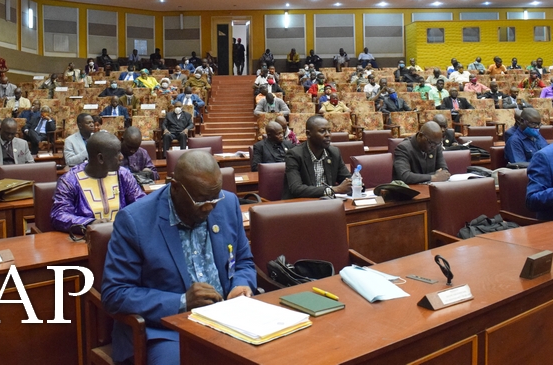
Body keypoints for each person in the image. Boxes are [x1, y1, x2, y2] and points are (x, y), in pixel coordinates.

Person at [101, 150, 255, 365]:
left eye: (214, 197)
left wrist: (241, 284)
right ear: (175, 187)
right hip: (167, 330)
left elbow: (243, 262)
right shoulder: (136, 220)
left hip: (229, 318)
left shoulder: (227, 203)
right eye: (201, 200)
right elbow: (115, 293)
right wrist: (182, 302)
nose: (210, 207)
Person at [52, 130, 144, 232]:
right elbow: (59, 215)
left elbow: (141, 204)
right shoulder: (69, 180)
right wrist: (89, 223)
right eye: (116, 153)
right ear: (100, 158)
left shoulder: (123, 175)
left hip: (122, 238)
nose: (121, 157)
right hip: (84, 242)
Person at [282, 115, 351, 199]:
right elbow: (296, 189)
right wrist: (333, 189)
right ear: (308, 134)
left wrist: (355, 183)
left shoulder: (334, 153)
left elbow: (346, 179)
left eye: (329, 131)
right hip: (301, 205)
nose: (328, 134)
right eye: (322, 131)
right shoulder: (294, 155)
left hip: (328, 204)